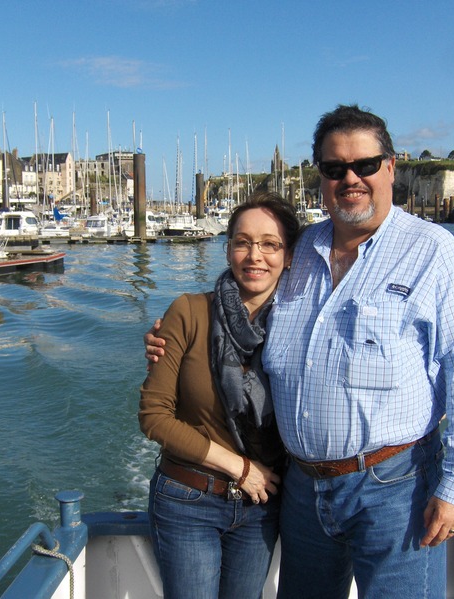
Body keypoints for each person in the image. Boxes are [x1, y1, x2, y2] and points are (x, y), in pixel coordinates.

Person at [146, 104, 454, 598]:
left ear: (391, 167)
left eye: (365, 165)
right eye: (335, 169)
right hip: (302, 493)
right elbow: (242, 312)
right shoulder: (301, 255)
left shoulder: (433, 252)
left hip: (394, 487)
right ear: (321, 177)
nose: (350, 178)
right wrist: (175, 335)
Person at [138, 190, 301, 599]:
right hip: (188, 498)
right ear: (228, 250)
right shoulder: (188, 312)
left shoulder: (301, 328)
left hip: (261, 507)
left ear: (289, 256)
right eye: (243, 242)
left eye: (269, 244)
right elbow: (154, 416)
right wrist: (240, 468)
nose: (254, 256)